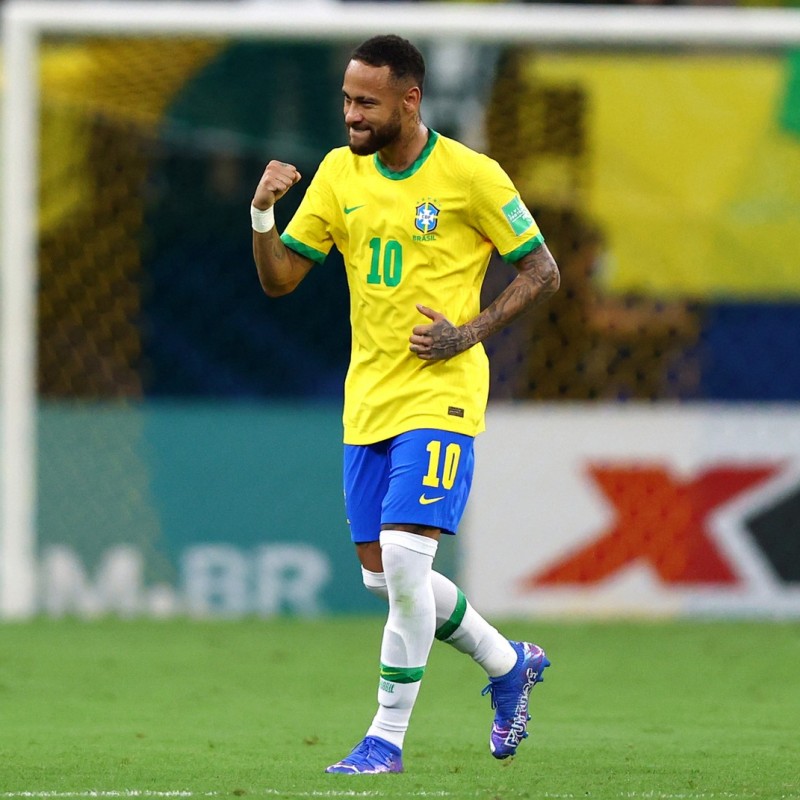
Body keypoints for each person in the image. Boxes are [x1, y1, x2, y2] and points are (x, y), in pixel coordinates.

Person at [250, 34, 560, 775]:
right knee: (384, 575)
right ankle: (506, 660)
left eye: (366, 102)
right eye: (347, 100)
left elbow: (542, 271)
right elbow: (281, 280)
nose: (351, 114)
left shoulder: (470, 175)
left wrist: (470, 333)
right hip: (370, 399)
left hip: (443, 394)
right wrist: (262, 215)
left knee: (405, 562)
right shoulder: (337, 172)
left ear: (409, 100)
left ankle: (384, 739)